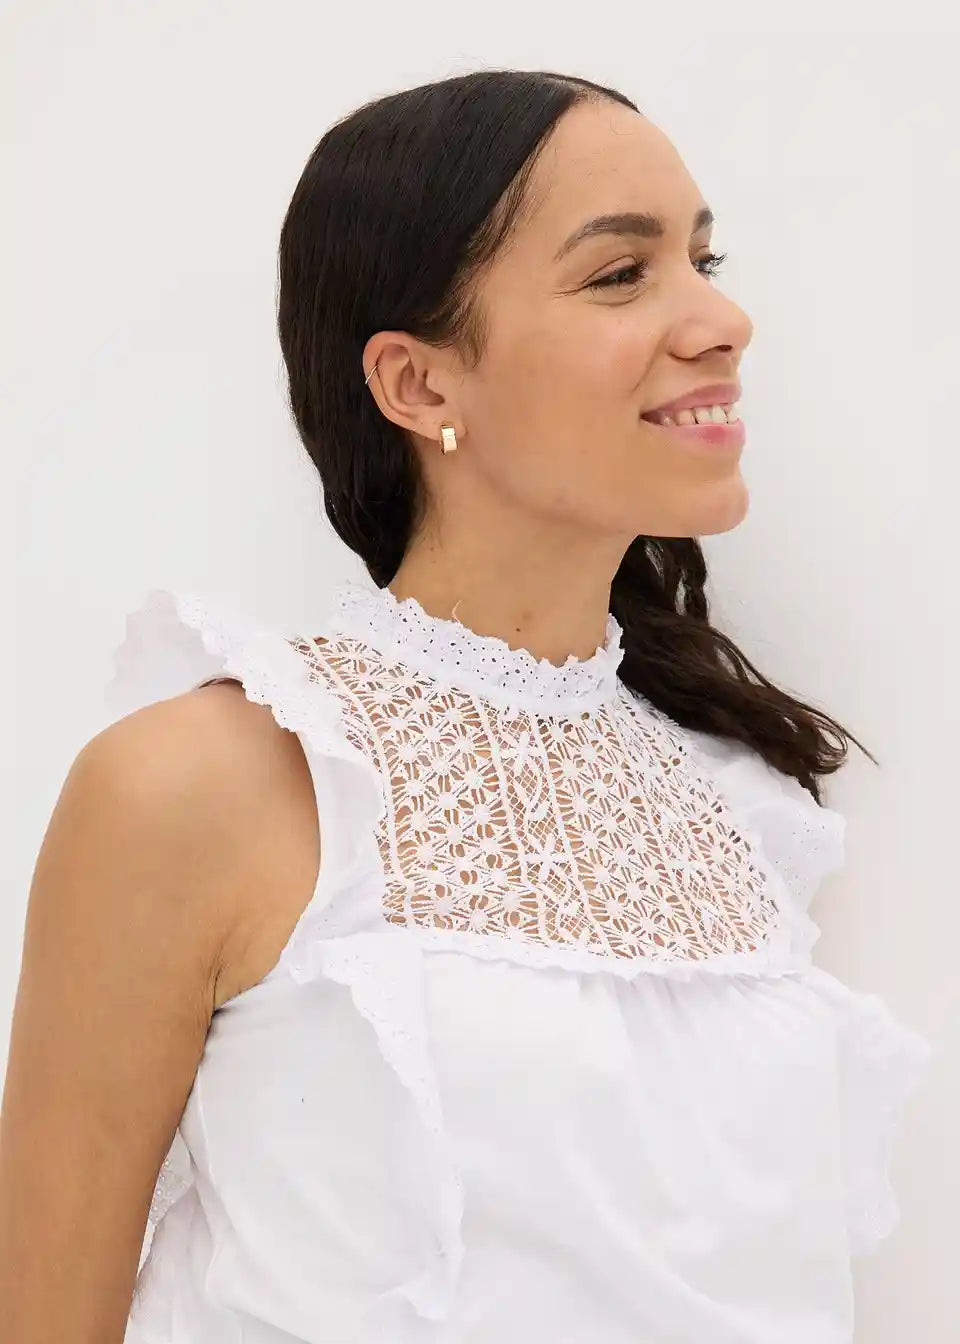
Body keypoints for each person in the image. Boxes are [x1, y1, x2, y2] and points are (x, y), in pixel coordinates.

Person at [0, 68, 931, 1344]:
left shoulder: (747, 816)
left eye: (704, 259)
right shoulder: (205, 783)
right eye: (622, 273)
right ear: (420, 387)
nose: (723, 319)